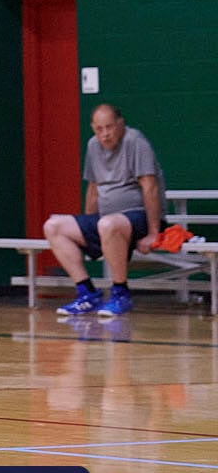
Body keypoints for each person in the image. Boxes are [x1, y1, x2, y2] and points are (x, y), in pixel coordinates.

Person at [49, 104, 164, 316]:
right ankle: (87, 293)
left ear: (120, 124)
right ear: (93, 128)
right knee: (54, 226)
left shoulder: (135, 141)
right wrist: (88, 229)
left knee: (107, 224)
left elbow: (150, 188)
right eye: (99, 129)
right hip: (106, 220)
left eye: (109, 127)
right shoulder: (93, 145)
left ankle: (121, 293)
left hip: (138, 216)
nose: (105, 134)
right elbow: (93, 189)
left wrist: (153, 232)